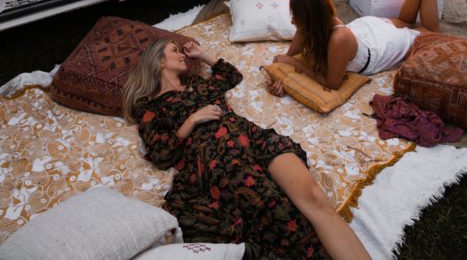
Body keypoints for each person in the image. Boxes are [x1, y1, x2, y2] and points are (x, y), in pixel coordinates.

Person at [122, 39, 370, 260]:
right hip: (217, 156)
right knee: (278, 210)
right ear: (158, 61)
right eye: (175, 51)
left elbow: (231, 75)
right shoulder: (151, 106)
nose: (182, 55)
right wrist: (192, 120)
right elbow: (161, 154)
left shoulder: (197, 84)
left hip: (252, 137)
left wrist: (203, 54)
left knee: (314, 197)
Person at [268, 0, 449, 95]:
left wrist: (294, 63)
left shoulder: (338, 39)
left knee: (430, 32)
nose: (293, 22)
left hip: (378, 47)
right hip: (366, 29)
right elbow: (286, 58)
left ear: (310, 19)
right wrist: (282, 77)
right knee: (407, 22)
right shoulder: (310, 26)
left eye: (296, 17)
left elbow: (332, 83)